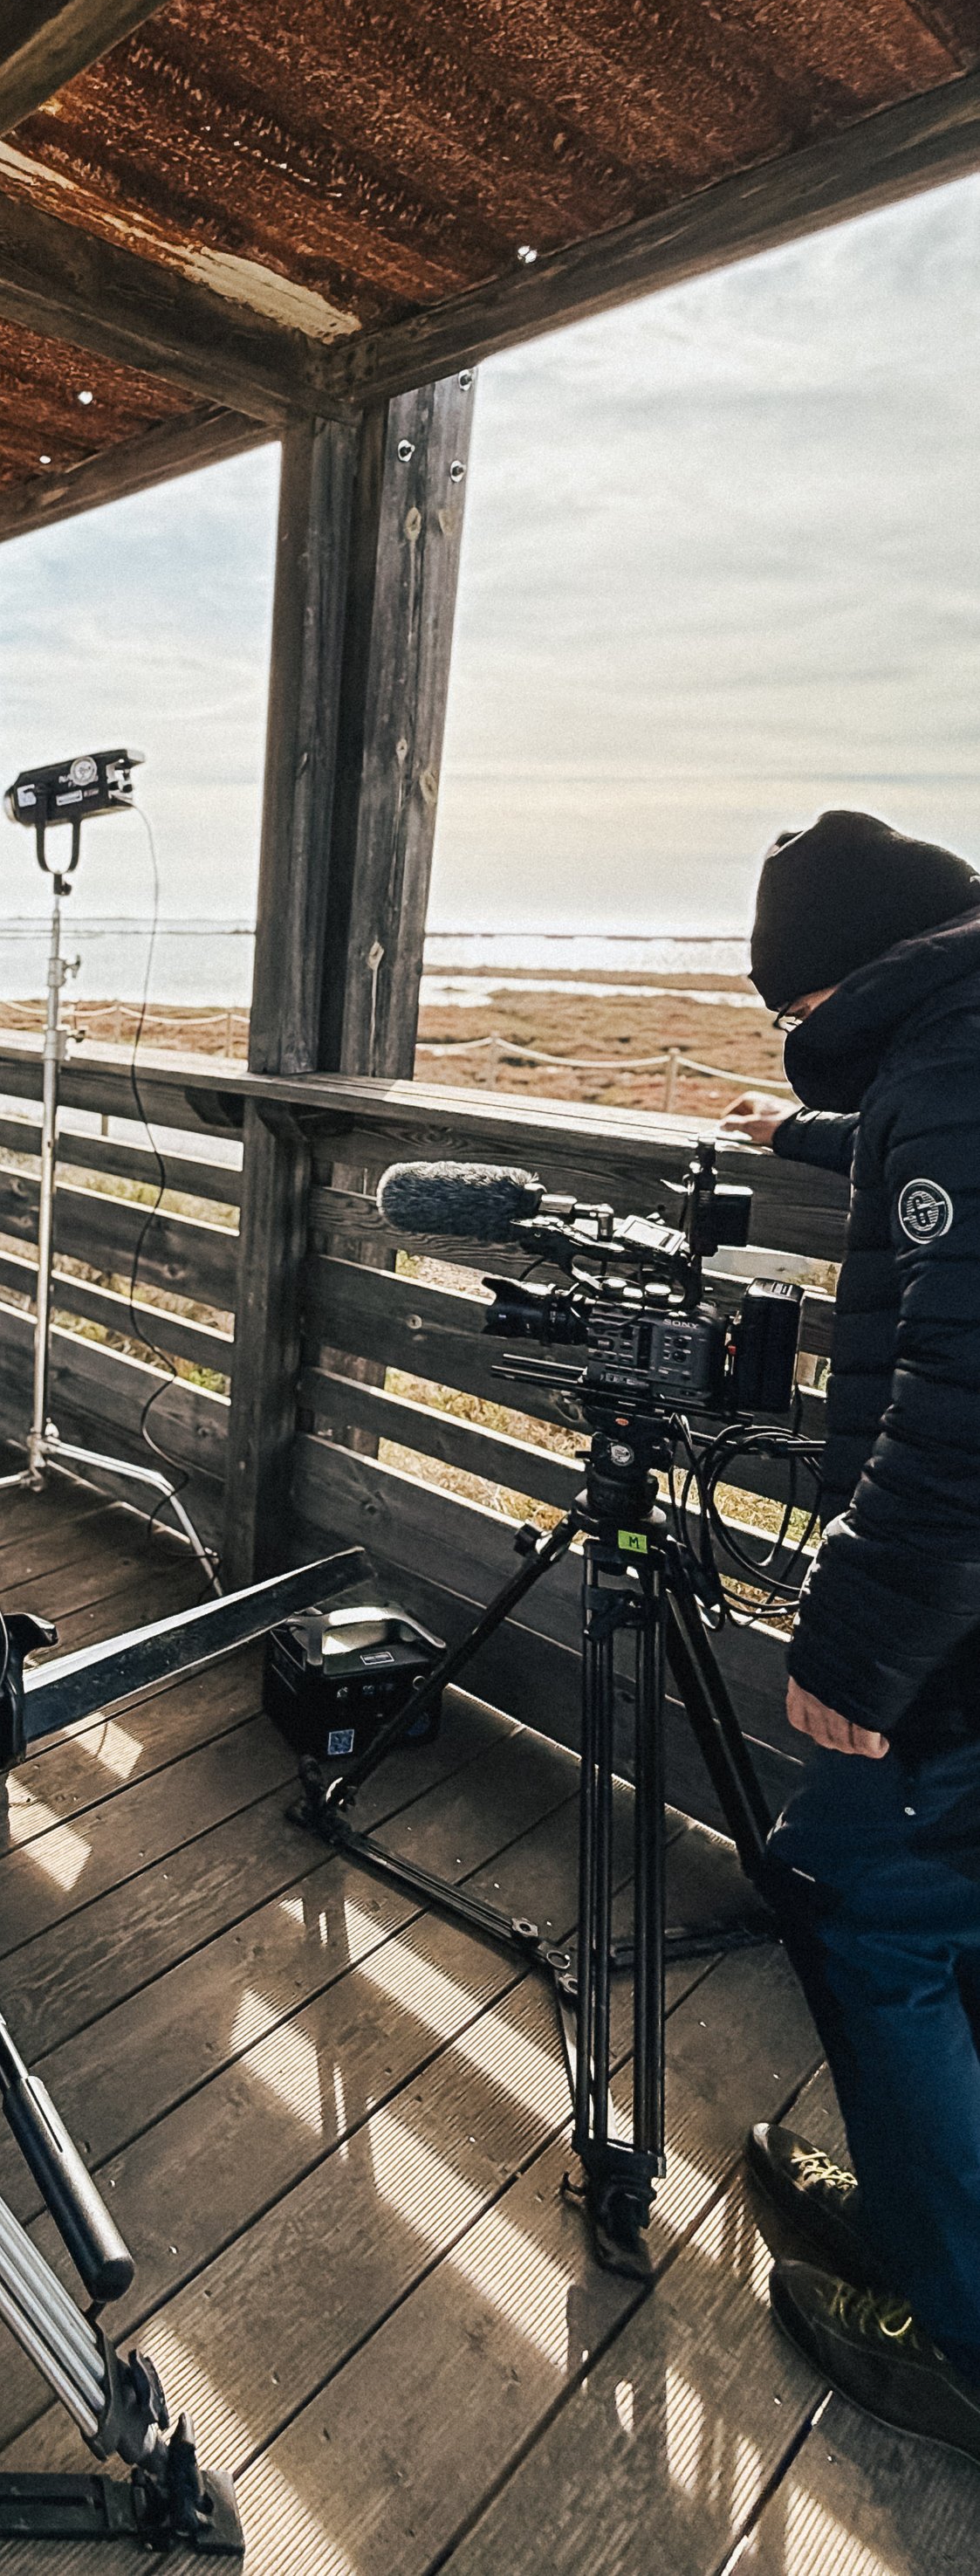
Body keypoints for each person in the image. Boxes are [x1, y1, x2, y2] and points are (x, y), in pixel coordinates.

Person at [720, 809, 980, 2462]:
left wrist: (851, 1655)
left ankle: (954, 2322)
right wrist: (806, 1138)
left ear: (829, 984)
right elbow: (931, 1165)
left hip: (943, 1641)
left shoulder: (954, 1068)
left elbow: (962, 1412)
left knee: (865, 1915)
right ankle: (922, 2206)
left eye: (786, 1023)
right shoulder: (950, 1055)